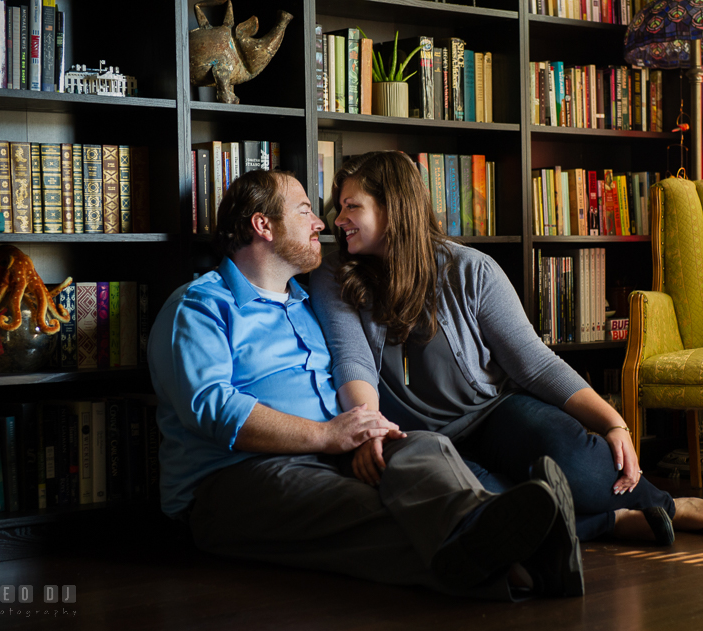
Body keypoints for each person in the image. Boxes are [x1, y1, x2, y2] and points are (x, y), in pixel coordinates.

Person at [148, 169, 585, 600]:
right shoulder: (199, 305)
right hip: (232, 481)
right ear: (262, 225)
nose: (322, 222)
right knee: (373, 510)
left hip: (326, 454)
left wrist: (364, 435)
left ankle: (496, 541)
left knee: (423, 447)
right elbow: (212, 408)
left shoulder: (303, 303)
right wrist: (327, 434)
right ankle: (527, 566)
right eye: (305, 211)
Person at [310, 151, 703, 544]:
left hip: (493, 414)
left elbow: (534, 363)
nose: (339, 218)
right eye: (340, 206)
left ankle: (662, 505)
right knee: (493, 509)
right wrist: (368, 428)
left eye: (352, 206)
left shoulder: (470, 270)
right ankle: (615, 521)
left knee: (584, 465)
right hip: (420, 440)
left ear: (393, 207)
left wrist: (614, 423)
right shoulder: (334, 276)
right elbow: (354, 362)